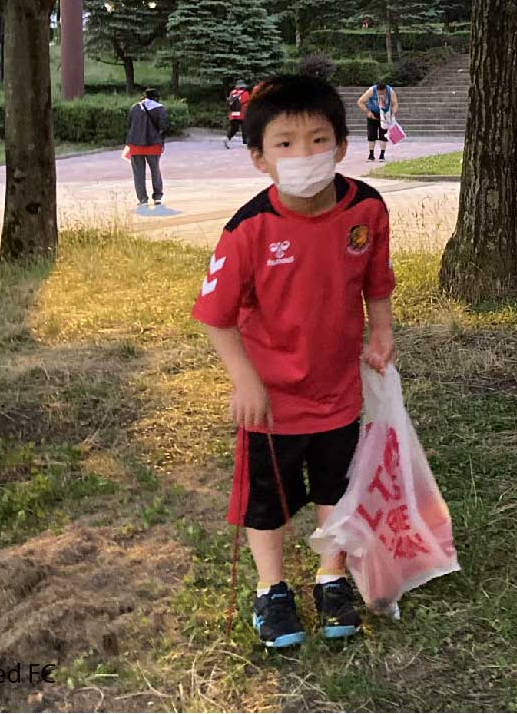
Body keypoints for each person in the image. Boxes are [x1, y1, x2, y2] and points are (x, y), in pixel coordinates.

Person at [191, 74, 397, 648]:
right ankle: (271, 590)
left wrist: (381, 331)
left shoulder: (367, 209)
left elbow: (376, 281)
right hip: (272, 402)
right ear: (259, 158)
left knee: (338, 488)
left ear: (342, 146)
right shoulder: (248, 229)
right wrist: (246, 382)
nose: (304, 154)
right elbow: (215, 316)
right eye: (285, 143)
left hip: (338, 392)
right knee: (267, 500)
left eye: (318, 139)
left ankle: (332, 578)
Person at [124, 86, 168, 207]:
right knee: (155, 171)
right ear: (156, 97)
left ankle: (143, 199)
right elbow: (163, 127)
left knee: (138, 173)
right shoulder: (160, 108)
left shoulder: (134, 108)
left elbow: (129, 125)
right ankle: (157, 197)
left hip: (135, 145)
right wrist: (161, 142)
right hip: (153, 145)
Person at [356, 78, 399, 162]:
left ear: (385, 89)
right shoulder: (371, 91)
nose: (381, 94)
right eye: (379, 93)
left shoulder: (390, 91)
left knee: (383, 135)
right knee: (371, 134)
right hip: (373, 113)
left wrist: (393, 113)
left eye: (383, 93)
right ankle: (371, 155)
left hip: (385, 114)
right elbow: (360, 101)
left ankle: (382, 155)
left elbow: (395, 103)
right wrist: (367, 112)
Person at [225, 80, 251, 149]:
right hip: (242, 113)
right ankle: (246, 143)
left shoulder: (232, 92)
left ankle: (227, 139)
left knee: (234, 128)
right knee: (245, 128)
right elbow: (248, 103)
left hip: (233, 114)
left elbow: (230, 103)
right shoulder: (245, 93)